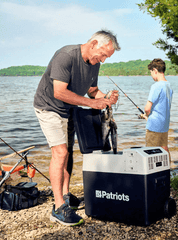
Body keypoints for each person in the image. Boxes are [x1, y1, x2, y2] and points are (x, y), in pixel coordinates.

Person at [33, 30, 120, 226]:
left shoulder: (94, 63)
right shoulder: (66, 55)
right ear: (94, 43)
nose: (103, 60)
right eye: (104, 54)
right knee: (60, 152)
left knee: (69, 154)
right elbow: (59, 92)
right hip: (49, 107)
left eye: (107, 57)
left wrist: (106, 99)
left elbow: (93, 92)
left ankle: (64, 195)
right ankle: (58, 208)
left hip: (69, 110)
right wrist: (92, 104)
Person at [143, 59, 173, 162]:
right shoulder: (168, 86)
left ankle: (153, 175)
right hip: (164, 125)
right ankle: (167, 172)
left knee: (150, 152)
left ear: (155, 70)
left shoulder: (156, 86)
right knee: (164, 149)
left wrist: (146, 115)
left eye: (151, 72)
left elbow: (147, 108)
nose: (151, 75)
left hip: (154, 126)